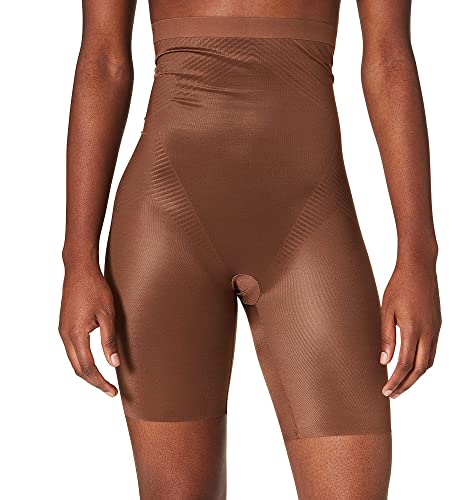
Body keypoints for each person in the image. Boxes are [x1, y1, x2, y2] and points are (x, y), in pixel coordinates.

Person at [59, 1, 442, 498]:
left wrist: (418, 256)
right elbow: (103, 59)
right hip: (165, 218)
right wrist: (77, 260)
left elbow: (389, 58)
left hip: (312, 222)